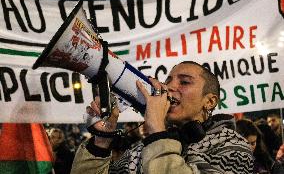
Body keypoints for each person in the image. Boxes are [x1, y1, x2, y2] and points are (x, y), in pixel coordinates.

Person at [71, 61, 254, 174]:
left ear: (210, 101)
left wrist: (158, 129)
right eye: (167, 81)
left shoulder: (232, 146)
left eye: (184, 82)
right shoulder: (144, 148)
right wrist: (101, 144)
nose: (169, 88)